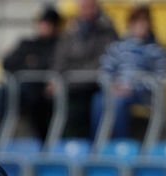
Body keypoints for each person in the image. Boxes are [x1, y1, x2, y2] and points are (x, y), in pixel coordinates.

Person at [0, 5, 62, 141]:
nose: (43, 26)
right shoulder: (27, 42)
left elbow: (43, 69)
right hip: (12, 86)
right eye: (41, 22)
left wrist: (26, 64)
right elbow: (6, 62)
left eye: (47, 23)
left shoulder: (58, 46)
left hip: (32, 94)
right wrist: (29, 64)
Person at [91, 4, 166, 141]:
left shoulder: (156, 51)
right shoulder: (118, 47)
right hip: (117, 90)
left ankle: (121, 144)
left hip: (141, 94)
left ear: (150, 25)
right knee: (98, 100)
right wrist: (112, 87)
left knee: (119, 102)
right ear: (130, 24)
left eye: (144, 22)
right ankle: (98, 144)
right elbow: (105, 71)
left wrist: (133, 88)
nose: (140, 26)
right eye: (137, 22)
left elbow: (159, 78)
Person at [50, 0, 118, 139]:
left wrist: (75, 75)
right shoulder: (70, 32)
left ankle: (90, 147)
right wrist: (55, 79)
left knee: (84, 105)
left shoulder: (107, 31)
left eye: (90, 7)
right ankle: (61, 147)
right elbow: (60, 59)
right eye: (83, 7)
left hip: (93, 83)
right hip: (71, 83)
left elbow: (104, 60)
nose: (86, 11)